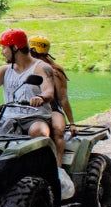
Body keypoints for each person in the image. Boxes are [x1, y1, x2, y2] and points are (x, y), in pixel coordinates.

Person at [0, 28, 74, 200]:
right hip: (8, 116)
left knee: (39, 132)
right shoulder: (5, 70)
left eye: (4, 48)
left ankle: (47, 173)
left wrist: (40, 97)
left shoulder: (42, 68)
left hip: (35, 116)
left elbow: (48, 90)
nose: (2, 52)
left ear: (16, 48)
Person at [28, 35, 77, 164]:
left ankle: (58, 165)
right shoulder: (22, 68)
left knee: (58, 128)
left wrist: (71, 122)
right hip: (26, 108)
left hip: (51, 108)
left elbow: (63, 98)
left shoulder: (54, 72)